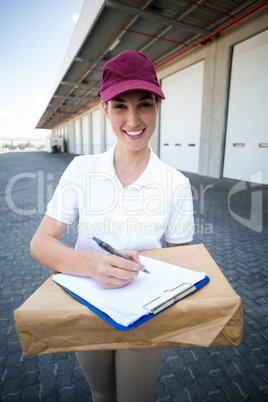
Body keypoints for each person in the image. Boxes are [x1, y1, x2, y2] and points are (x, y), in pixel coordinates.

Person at [30, 50, 194, 402]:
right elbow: (41, 243)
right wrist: (91, 264)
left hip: (147, 313)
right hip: (87, 307)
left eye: (144, 104)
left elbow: (184, 263)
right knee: (101, 394)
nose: (133, 118)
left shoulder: (175, 183)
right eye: (120, 105)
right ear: (104, 109)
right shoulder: (81, 170)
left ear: (158, 107)